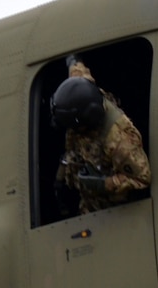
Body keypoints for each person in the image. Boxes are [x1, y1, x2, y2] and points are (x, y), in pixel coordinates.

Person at [51, 59, 151, 215]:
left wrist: (105, 184)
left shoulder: (118, 140)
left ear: (84, 123)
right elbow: (77, 71)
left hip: (109, 212)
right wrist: (71, 59)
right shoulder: (82, 89)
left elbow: (142, 179)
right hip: (84, 195)